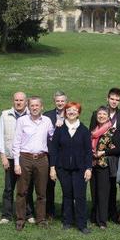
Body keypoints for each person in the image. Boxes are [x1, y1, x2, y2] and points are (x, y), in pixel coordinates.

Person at [12, 96, 54, 231]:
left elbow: (53, 137)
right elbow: (16, 142)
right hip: (25, 158)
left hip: (42, 159)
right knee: (22, 191)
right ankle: (20, 219)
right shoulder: (22, 121)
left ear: (42, 107)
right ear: (28, 107)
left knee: (41, 192)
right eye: (32, 106)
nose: (34, 108)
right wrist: (17, 163)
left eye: (37, 105)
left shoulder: (47, 121)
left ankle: (41, 219)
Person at [49, 102, 92, 234]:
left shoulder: (84, 130)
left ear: (78, 113)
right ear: (65, 112)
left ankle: (81, 224)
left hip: (80, 169)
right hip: (63, 169)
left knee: (80, 196)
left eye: (74, 110)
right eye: (69, 110)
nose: (71, 112)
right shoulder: (60, 130)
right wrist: (52, 167)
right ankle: (67, 221)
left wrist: (88, 168)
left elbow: (88, 151)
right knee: (67, 195)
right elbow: (54, 149)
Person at [89, 87, 120, 223]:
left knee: (112, 187)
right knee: (97, 187)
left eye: (117, 100)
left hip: (115, 156)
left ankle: (111, 212)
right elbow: (92, 134)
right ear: (107, 98)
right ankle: (96, 213)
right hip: (98, 157)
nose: (114, 101)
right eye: (112, 98)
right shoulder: (97, 114)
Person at [0, 91, 35, 225]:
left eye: (21, 100)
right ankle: (6, 214)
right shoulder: (5, 115)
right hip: (10, 157)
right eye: (16, 100)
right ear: (13, 101)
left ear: (26, 101)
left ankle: (28, 213)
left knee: (27, 187)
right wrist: (3, 156)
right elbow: (0, 136)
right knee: (9, 187)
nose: (18, 102)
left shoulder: (32, 115)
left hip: (26, 157)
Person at [90, 106, 120, 229]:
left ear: (108, 116)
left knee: (103, 194)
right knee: (94, 192)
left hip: (104, 165)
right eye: (99, 114)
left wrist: (103, 153)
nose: (101, 116)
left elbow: (117, 149)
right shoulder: (93, 130)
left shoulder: (113, 131)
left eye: (104, 114)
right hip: (92, 165)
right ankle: (95, 218)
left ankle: (102, 221)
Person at [43, 90, 67, 221]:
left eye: (62, 101)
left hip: (65, 156)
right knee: (49, 185)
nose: (60, 103)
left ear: (66, 102)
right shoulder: (47, 116)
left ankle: (65, 213)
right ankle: (49, 212)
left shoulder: (71, 114)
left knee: (66, 186)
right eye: (58, 101)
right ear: (54, 101)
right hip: (50, 155)